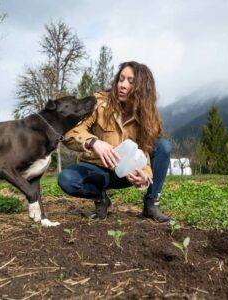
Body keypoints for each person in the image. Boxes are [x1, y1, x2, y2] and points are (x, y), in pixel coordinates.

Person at [58, 61, 172, 222]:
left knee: (162, 146)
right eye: (121, 79)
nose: (122, 85)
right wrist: (93, 142)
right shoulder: (98, 102)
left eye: (130, 82)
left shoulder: (145, 115)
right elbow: (70, 133)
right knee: (67, 179)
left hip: (123, 173)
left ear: (142, 88)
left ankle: (151, 203)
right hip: (96, 170)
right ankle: (100, 198)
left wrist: (145, 176)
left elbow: (144, 151)